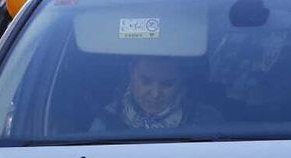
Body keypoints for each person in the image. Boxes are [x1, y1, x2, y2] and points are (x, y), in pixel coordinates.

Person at [90, 55, 221, 133]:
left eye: (167, 84)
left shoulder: (207, 121)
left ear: (182, 81)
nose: (155, 94)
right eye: (145, 81)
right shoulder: (106, 121)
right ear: (131, 74)